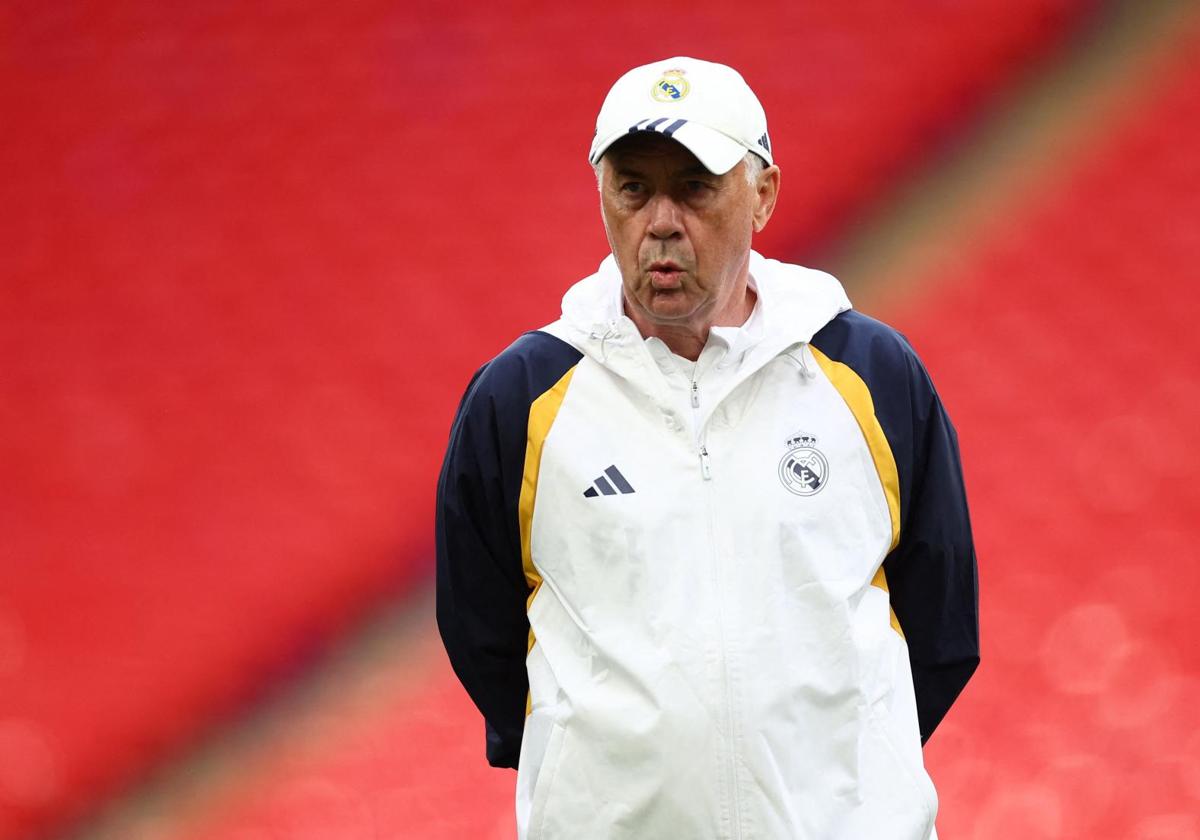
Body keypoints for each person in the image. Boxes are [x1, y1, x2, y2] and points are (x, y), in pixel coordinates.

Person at [436, 56, 979, 840]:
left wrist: (844, 786)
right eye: (634, 188)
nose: (661, 221)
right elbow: (484, 639)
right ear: (601, 196)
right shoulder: (519, 400)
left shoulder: (872, 374)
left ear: (763, 194)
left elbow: (942, 628)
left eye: (694, 188)